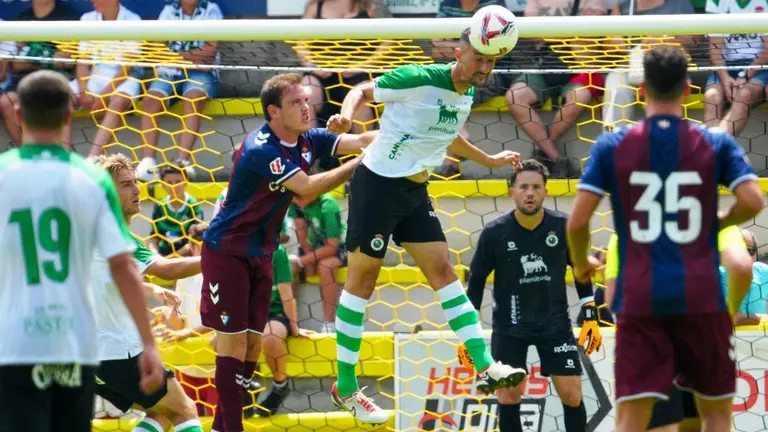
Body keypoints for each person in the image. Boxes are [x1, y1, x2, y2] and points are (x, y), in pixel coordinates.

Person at [325, 28, 526, 424]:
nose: (485, 67)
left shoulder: (467, 93)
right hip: (377, 185)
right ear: (459, 52)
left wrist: (489, 160)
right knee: (362, 283)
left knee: (444, 271)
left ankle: (485, 366)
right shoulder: (418, 77)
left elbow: (449, 137)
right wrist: (347, 117)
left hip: (415, 191)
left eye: (491, 61)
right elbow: (364, 91)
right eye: (479, 58)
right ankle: (344, 386)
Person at [566, 45, 764, 432]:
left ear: (641, 91)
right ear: (688, 88)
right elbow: (753, 200)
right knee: (717, 417)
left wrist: (580, 262)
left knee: (631, 420)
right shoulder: (715, 143)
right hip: (701, 298)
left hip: (640, 300)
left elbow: (576, 224)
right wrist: (719, 223)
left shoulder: (612, 146)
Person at [198, 72, 375, 432]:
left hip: (262, 253)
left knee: (252, 345)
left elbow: (358, 139)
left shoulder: (307, 139)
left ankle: (221, 425)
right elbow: (306, 186)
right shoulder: (262, 147)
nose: (307, 107)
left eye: (307, 101)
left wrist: (396, 138)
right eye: (296, 102)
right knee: (232, 345)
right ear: (273, 111)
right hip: (227, 252)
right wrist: (362, 162)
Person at [0, 70, 164, 432]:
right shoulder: (91, 180)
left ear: (18, 116)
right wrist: (149, 345)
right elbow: (124, 266)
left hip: (15, 342)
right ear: (69, 115)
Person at [466, 160, 598, 432]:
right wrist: (468, 332)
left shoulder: (563, 226)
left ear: (546, 192)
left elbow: (580, 270)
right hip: (509, 327)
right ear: (511, 191)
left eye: (536, 187)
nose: (530, 193)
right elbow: (476, 282)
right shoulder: (494, 233)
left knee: (572, 394)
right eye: (523, 187)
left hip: (554, 324)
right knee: (508, 395)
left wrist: (590, 314)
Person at [90, 153, 206, 432]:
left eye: (135, 182)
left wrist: (150, 289)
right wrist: (224, 258)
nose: (136, 189)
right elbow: (166, 268)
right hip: (119, 351)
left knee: (160, 415)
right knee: (184, 411)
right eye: (126, 184)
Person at [603, 225, 751, 432]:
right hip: (704, 332)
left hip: (651, 338)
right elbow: (741, 268)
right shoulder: (716, 220)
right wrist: (729, 313)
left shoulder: (626, 229)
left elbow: (613, 300)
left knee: (650, 422)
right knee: (710, 420)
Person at [289, 193, 347, 333]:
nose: (295, 200)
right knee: (289, 264)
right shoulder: (296, 203)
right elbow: (302, 237)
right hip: (315, 248)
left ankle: (329, 323)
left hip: (340, 249)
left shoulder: (327, 206)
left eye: (298, 197)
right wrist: (308, 258)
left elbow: (332, 247)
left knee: (325, 266)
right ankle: (288, 321)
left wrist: (304, 261)